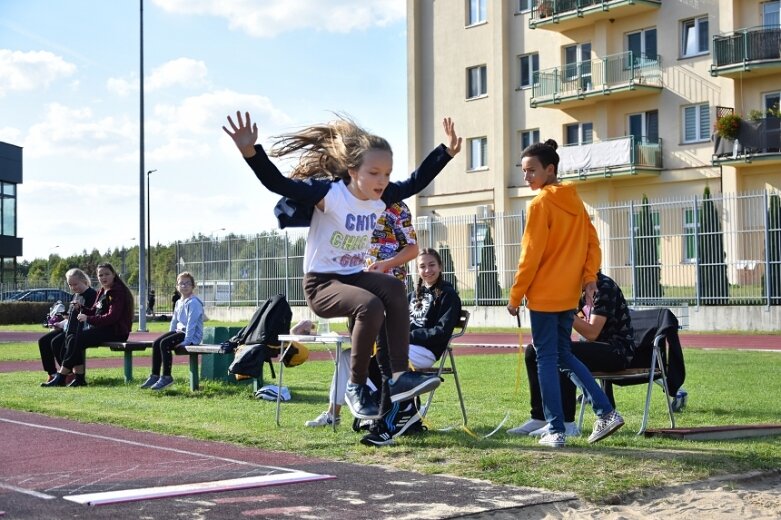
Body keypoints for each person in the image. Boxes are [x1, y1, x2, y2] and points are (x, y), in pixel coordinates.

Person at [223, 111, 461, 446]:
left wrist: (446, 152)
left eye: (387, 173)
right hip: (322, 284)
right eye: (374, 173)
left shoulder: (382, 198)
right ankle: (355, 386)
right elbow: (279, 184)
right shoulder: (330, 194)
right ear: (353, 171)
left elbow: (415, 182)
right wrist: (251, 151)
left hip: (354, 276)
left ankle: (397, 377)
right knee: (370, 305)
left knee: (392, 287)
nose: (382, 180)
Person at [506, 139, 624, 448]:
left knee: (547, 358)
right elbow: (592, 244)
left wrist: (516, 295)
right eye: (524, 171)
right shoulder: (575, 201)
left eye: (532, 171)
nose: (526, 177)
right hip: (568, 295)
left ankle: (556, 429)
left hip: (545, 295)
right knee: (562, 355)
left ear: (550, 169)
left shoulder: (541, 204)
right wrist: (587, 279)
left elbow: (530, 254)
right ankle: (605, 411)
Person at [305, 201, 420, 430]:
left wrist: (386, 265)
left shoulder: (397, 206)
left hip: (388, 291)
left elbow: (413, 248)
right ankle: (352, 412)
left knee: (384, 358)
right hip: (357, 290)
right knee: (360, 355)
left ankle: (391, 416)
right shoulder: (352, 203)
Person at [509, 272, 635, 437]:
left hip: (617, 351)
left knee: (562, 353)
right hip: (594, 349)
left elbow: (592, 333)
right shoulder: (574, 288)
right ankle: (540, 416)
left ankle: (568, 423)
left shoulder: (603, 287)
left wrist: (564, 312)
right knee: (534, 351)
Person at [43, 263, 134, 387]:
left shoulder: (117, 292)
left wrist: (88, 318)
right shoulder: (102, 290)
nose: (103, 277)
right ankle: (79, 379)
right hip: (104, 329)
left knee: (77, 339)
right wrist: (82, 308)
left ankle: (62, 376)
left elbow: (113, 317)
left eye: (107, 274)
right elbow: (95, 310)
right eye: (100, 275)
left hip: (116, 332)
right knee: (72, 338)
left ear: (113, 274)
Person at [140, 272, 204, 391]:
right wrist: (168, 334)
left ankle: (167, 376)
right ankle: (155, 375)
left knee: (165, 344)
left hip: (190, 335)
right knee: (156, 343)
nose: (184, 286)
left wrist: (187, 342)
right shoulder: (179, 302)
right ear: (177, 286)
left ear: (193, 286)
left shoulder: (194, 302)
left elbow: (191, 324)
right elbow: (174, 321)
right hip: (179, 332)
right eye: (181, 283)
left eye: (187, 283)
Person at [38, 268, 98, 385]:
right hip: (69, 327)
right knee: (43, 341)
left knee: (56, 342)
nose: (73, 287)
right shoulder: (75, 295)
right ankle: (52, 373)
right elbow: (71, 316)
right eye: (70, 285)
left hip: (80, 330)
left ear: (84, 281)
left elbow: (90, 314)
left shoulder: (92, 295)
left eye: (75, 284)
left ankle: (68, 374)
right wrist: (60, 323)